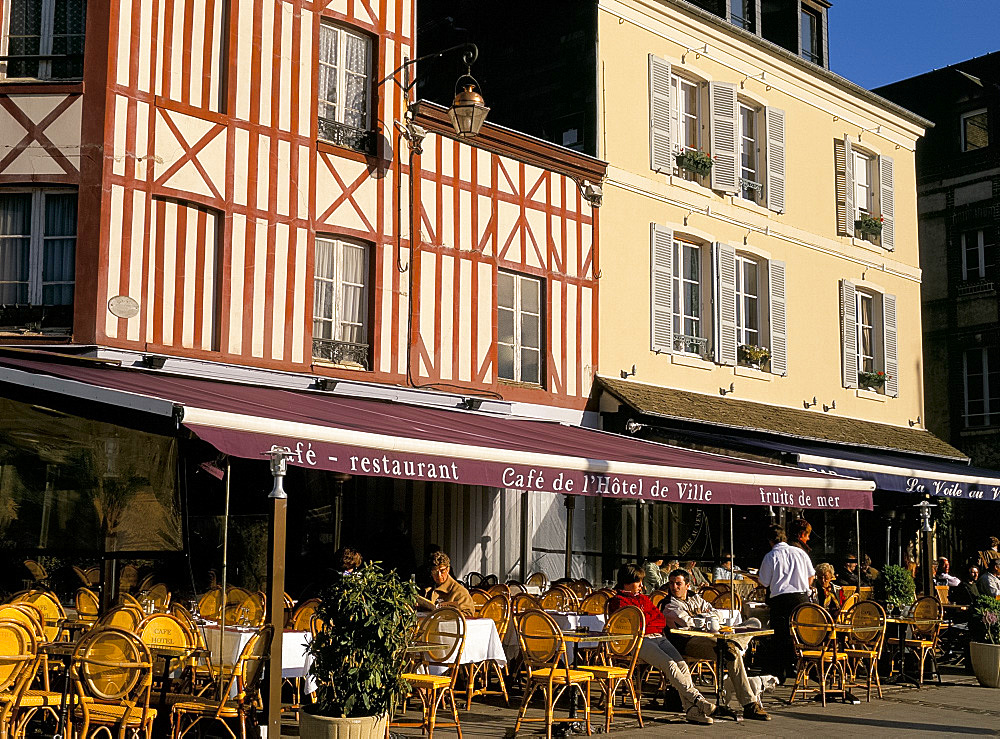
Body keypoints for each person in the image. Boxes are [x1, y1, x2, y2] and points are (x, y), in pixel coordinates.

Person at [607, 564, 719, 725]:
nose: (641, 585)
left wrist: (646, 621)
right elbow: (634, 626)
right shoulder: (618, 602)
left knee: (682, 665)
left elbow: (659, 619)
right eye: (638, 581)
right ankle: (698, 700)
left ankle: (691, 710)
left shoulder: (643, 598)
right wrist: (646, 621)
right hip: (637, 641)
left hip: (657, 636)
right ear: (628, 581)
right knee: (670, 665)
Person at [660, 569, 771, 721]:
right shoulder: (668, 604)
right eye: (672, 584)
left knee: (754, 623)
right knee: (731, 651)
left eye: (678, 584)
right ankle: (749, 704)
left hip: (711, 638)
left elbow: (715, 613)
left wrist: (705, 617)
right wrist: (707, 618)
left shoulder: (695, 598)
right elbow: (689, 623)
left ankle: (732, 645)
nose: (674, 587)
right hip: (687, 642)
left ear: (687, 585)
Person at [758, 524, 814, 683]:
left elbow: (764, 582)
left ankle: (781, 672)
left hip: (781, 600)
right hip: (801, 599)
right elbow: (811, 576)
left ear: (770, 540)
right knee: (799, 635)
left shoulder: (771, 556)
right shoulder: (799, 553)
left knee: (780, 636)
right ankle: (799, 668)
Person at [416, 551, 475, 616]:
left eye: (442, 571)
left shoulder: (459, 592)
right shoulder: (427, 588)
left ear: (448, 570)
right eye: (435, 572)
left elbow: (468, 614)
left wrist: (448, 615)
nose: (439, 575)